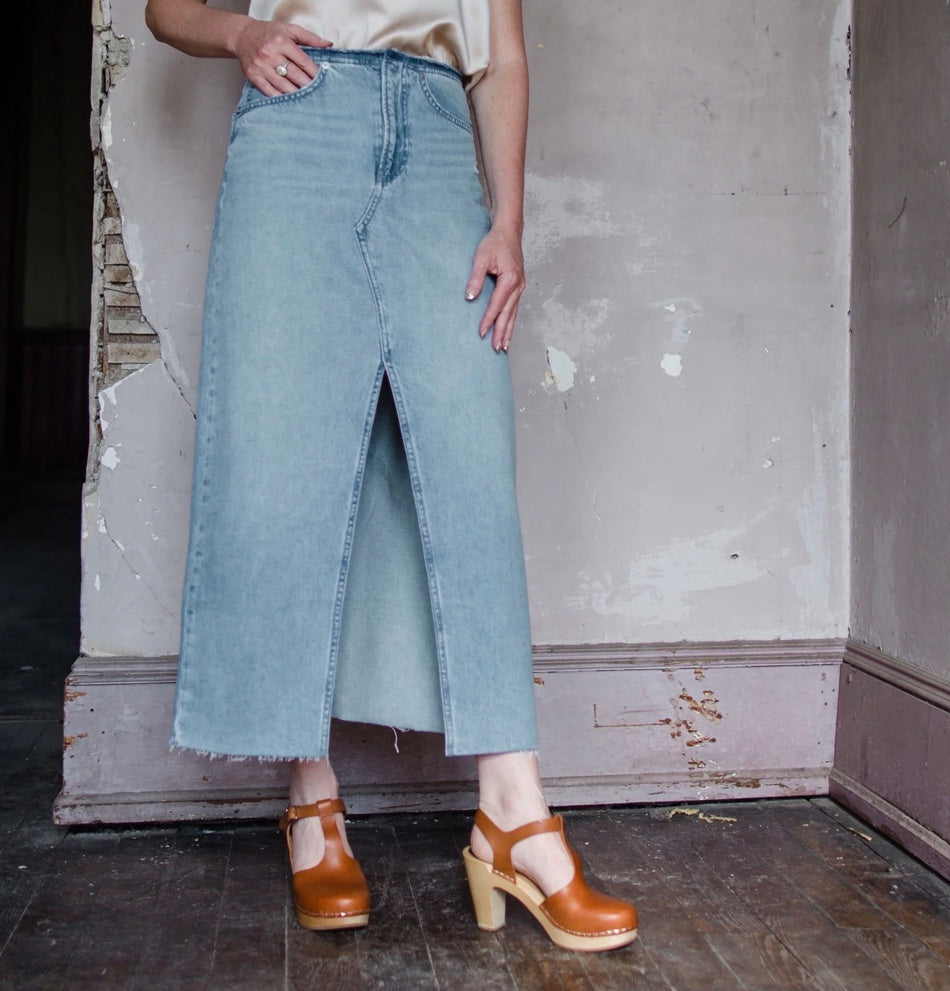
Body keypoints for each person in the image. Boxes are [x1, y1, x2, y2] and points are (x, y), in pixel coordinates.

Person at [144, 0, 637, 952]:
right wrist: (241, 35)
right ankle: (310, 798)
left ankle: (511, 805)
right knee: (282, 450)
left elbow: (500, 55)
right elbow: (167, 10)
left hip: (439, 130)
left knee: (467, 460)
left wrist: (509, 219)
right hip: (299, 125)